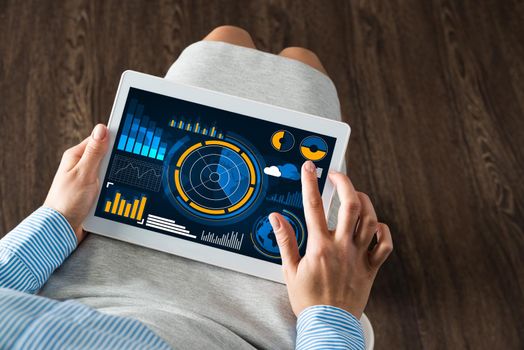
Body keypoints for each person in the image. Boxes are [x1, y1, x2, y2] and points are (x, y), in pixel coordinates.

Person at [0, 26, 393, 349]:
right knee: (303, 63)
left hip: (91, 279)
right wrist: (332, 311)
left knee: (225, 39)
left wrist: (59, 220)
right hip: (252, 329)